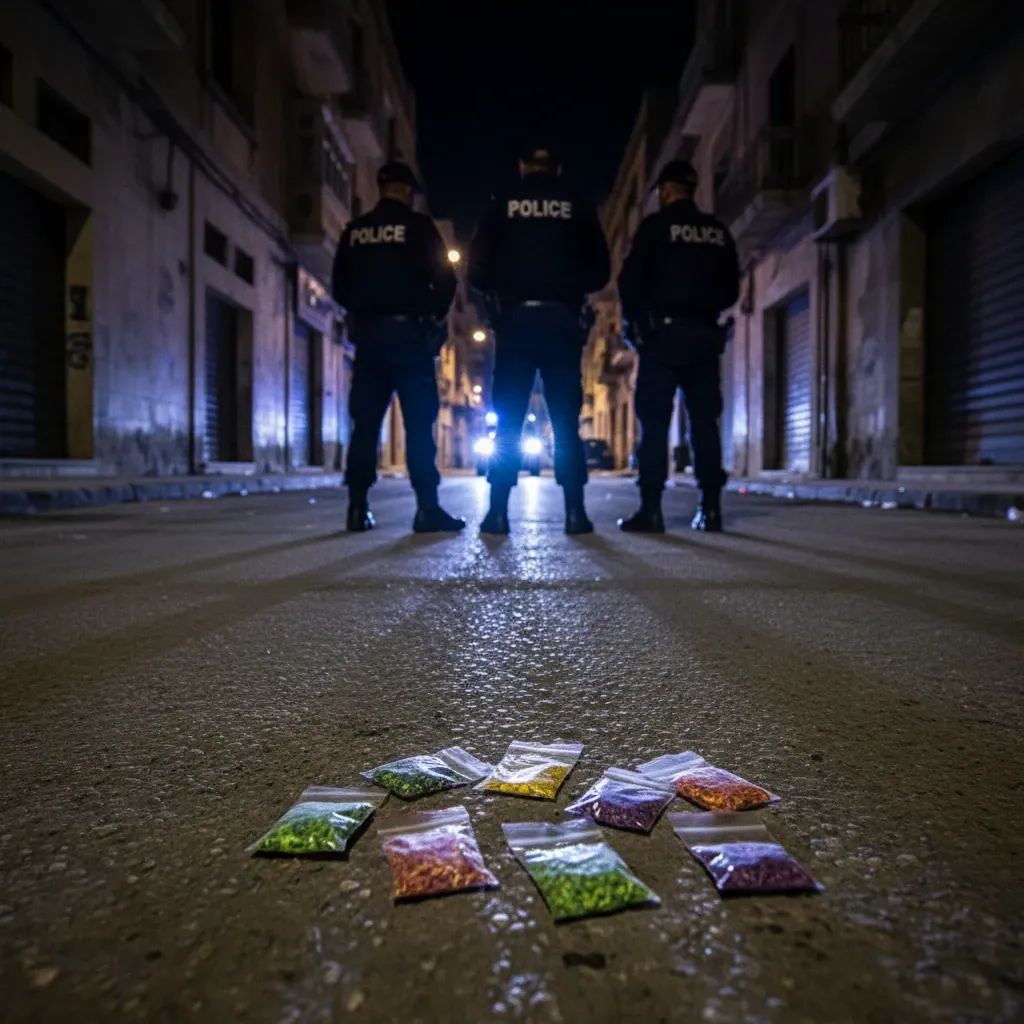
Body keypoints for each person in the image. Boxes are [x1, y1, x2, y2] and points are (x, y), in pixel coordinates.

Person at [469, 144, 610, 535]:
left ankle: (497, 514)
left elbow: (476, 271)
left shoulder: (503, 205)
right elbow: (601, 270)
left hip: (514, 322)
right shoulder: (576, 204)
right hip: (562, 320)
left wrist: (505, 287)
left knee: (509, 422)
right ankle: (575, 514)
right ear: (558, 168)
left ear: (522, 166)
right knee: (565, 422)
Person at [331, 161, 465, 534]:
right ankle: (426, 510)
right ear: (407, 191)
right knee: (420, 426)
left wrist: (363, 310)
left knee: (365, 426)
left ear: (380, 187)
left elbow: (339, 286)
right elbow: (445, 281)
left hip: (370, 340)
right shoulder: (419, 229)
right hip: (411, 339)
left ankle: (357, 508)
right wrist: (430, 317)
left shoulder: (356, 231)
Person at [616, 160, 740, 533]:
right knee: (705, 422)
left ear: (666, 190)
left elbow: (629, 282)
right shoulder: (717, 231)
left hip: (662, 337)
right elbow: (731, 288)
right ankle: (711, 508)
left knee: (654, 423)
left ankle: (651, 510)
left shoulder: (655, 229)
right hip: (703, 336)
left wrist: (632, 327)